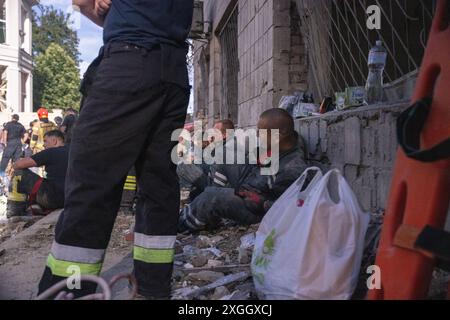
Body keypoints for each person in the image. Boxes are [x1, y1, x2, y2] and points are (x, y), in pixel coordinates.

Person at [38, 0, 193, 300]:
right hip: (174, 73)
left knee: (91, 181)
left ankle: (69, 291)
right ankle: (153, 289)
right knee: (159, 184)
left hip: (130, 60)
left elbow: (84, 3)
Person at [178, 108, 308, 232]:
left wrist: (259, 201)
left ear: (278, 136)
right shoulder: (282, 143)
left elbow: (284, 209)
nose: (257, 135)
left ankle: (181, 223)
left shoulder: (292, 169)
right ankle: (210, 213)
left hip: (255, 209)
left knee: (211, 197)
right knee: (224, 155)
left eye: (261, 132)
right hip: (249, 183)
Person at [7, 130, 69, 218]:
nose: (44, 145)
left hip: (53, 198)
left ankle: (14, 213)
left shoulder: (50, 152)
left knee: (19, 173)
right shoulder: (74, 151)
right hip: (72, 197)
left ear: (54, 141)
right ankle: (36, 206)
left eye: (45, 141)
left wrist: (13, 165)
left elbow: (18, 165)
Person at [0, 114, 26, 182]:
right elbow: (26, 135)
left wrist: (5, 142)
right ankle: (15, 177)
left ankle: (1, 175)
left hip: (10, 143)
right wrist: (22, 142)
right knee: (16, 160)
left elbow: (5, 133)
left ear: (12, 118)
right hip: (18, 144)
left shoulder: (8, 124)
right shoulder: (21, 125)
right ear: (18, 119)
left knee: (5, 159)